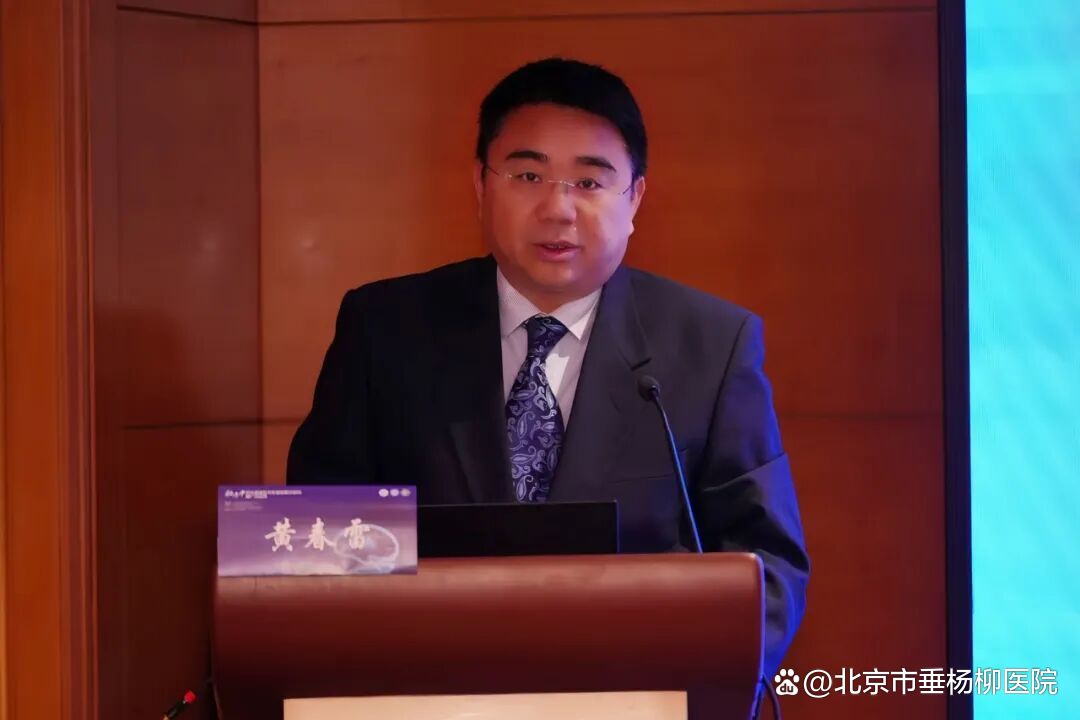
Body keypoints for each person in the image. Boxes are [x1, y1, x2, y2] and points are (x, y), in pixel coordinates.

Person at [288, 57, 810, 675]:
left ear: (635, 198)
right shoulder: (385, 330)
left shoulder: (712, 346)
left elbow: (766, 570)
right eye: (529, 175)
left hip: (634, 696)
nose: (558, 208)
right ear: (481, 185)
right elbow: (317, 539)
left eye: (589, 182)